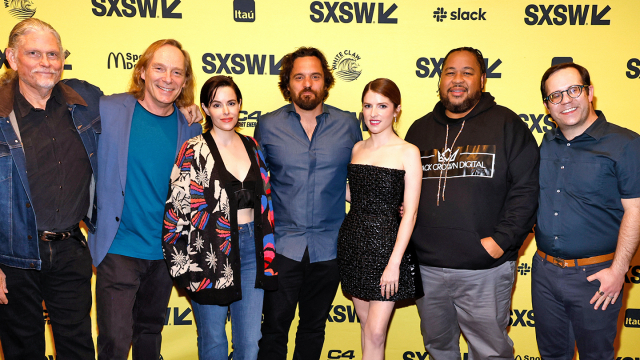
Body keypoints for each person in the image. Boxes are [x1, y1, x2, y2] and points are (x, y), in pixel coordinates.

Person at [404, 47, 539, 360]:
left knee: (489, 352)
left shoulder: (507, 124)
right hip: (428, 268)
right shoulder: (420, 130)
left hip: (485, 269)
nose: (457, 79)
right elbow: (404, 188)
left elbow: (527, 188)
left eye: (467, 72)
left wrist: (500, 242)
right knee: (438, 348)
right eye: (450, 71)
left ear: (483, 79)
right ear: (440, 80)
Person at [90, 39, 202, 360]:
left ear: (184, 81)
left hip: (165, 251)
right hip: (118, 247)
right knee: (114, 339)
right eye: (160, 68)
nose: (168, 78)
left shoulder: (190, 125)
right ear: (142, 72)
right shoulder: (109, 109)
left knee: (150, 334)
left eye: (177, 72)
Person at [0, 18, 101, 360]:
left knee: (78, 347)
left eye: (53, 54)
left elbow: (139, 106)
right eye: (34, 53)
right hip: (13, 256)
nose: (46, 62)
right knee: (23, 349)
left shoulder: (84, 99)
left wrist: (186, 110)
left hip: (71, 248)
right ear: (12, 58)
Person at [254, 47, 362, 360]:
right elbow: (257, 186)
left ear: (325, 81)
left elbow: (361, 178)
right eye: (299, 77)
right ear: (287, 84)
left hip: (330, 248)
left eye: (315, 76)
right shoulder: (268, 125)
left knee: (313, 327)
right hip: (282, 246)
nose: (307, 84)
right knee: (274, 328)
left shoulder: (348, 124)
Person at [162, 75, 277, 360]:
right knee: (214, 344)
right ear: (205, 108)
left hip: (252, 252)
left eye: (231, 103)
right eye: (217, 104)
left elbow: (266, 202)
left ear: (240, 106)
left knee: (249, 347)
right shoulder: (192, 150)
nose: (226, 111)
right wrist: (182, 268)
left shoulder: (253, 146)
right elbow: (176, 210)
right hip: (209, 254)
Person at [533, 62, 640, 359]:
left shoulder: (626, 144)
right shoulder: (544, 145)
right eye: (555, 96)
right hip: (544, 273)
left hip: (597, 276)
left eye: (573, 90)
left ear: (590, 92)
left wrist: (618, 271)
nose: (566, 100)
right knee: (551, 355)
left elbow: (636, 211)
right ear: (547, 106)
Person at [337, 78, 422, 360]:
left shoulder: (408, 152)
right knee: (367, 329)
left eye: (382, 106)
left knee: (375, 332)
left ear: (396, 110)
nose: (374, 113)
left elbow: (409, 213)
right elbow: (353, 195)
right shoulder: (357, 149)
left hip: (388, 249)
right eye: (368, 106)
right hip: (354, 244)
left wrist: (394, 263)